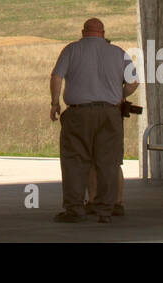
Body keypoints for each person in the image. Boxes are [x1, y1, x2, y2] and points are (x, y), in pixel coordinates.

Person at [50, 17, 138, 223]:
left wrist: (54, 103)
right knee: (109, 162)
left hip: (78, 114)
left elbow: (56, 77)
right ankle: (106, 210)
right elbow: (134, 82)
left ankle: (75, 209)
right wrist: (120, 95)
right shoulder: (118, 52)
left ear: (83, 32)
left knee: (75, 161)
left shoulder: (71, 50)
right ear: (103, 33)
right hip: (110, 114)